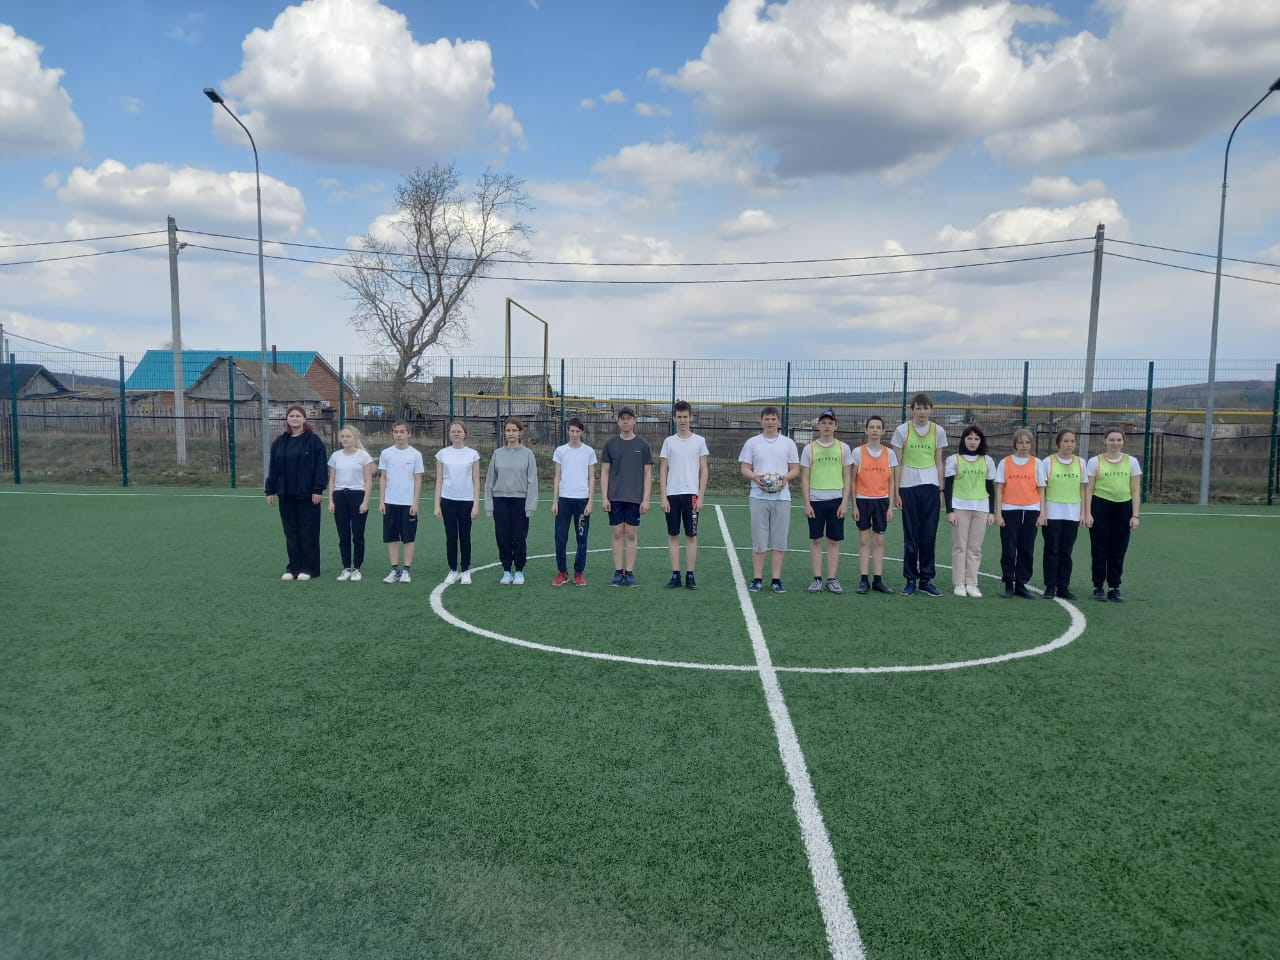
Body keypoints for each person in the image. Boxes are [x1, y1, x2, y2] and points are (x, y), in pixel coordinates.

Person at [738, 405, 800, 594]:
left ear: (778, 421)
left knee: (779, 541)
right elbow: (745, 468)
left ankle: (776, 580)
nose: (770, 422)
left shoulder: (788, 443)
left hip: (782, 498)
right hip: (758, 497)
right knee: (759, 540)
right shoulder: (752, 443)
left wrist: (785, 479)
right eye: (767, 419)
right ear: (761, 421)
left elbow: (795, 469)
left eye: (773, 419)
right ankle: (757, 579)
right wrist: (755, 477)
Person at [891, 393, 947, 596]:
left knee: (929, 535)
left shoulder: (938, 431)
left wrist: (941, 490)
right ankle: (910, 579)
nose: (922, 412)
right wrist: (896, 492)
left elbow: (939, 462)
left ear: (931, 409)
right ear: (912, 409)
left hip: (930, 487)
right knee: (911, 535)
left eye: (926, 408)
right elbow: (896, 464)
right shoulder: (901, 430)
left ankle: (926, 579)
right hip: (908, 487)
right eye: (918, 408)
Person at [265, 404, 327, 581]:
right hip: (286, 494)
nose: (294, 419)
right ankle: (293, 568)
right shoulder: (279, 442)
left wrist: (318, 489)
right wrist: (270, 490)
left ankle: (309, 569)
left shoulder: (314, 441)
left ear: (304, 419)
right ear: (287, 419)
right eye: (291, 416)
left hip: (308, 495)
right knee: (291, 532)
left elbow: (320, 467)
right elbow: (273, 467)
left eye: (298, 416)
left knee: (308, 532)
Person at [1084, 428, 1142, 602]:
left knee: (1118, 549)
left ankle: (1114, 587)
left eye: (1118, 440)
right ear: (1105, 441)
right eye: (1111, 439)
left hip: (1123, 508)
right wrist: (1088, 513)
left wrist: (1135, 515)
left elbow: (1135, 490)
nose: (1115, 443)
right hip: (1100, 506)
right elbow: (1089, 490)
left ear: (1123, 441)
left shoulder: (1132, 461)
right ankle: (1098, 586)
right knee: (1099, 549)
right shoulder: (1095, 461)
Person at [800, 409, 853, 594]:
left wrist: (844, 502)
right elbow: (804, 478)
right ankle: (817, 579)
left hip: (836, 500)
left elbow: (847, 476)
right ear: (818, 425)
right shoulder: (809, 449)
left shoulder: (843, 448)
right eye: (824, 423)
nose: (827, 426)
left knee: (833, 541)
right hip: (815, 501)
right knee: (816, 540)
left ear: (835, 426)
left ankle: (831, 579)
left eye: (830, 423)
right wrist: (807, 503)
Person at [600, 406, 653, 587]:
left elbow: (648, 473)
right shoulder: (610, 444)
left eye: (628, 418)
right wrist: (604, 497)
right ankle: (618, 572)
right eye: (622, 418)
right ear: (618, 422)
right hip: (615, 497)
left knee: (631, 534)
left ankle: (629, 573)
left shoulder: (643, 445)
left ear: (634, 421)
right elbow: (604, 472)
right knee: (617, 533)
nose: (625, 421)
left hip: (634, 498)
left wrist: (646, 499)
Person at [659, 401, 710, 590]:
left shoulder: (699, 441)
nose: (682, 420)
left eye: (685, 417)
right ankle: (675, 575)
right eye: (679, 417)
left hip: (692, 495)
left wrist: (701, 496)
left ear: (691, 418)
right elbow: (663, 470)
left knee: (691, 536)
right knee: (673, 535)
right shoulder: (669, 442)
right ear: (674, 418)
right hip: (672, 494)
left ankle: (690, 575)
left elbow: (704, 470)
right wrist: (663, 496)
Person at [994, 427, 1047, 599]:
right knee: (1009, 550)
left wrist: (1042, 513)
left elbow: (1041, 489)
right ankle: (1008, 584)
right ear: (1015, 444)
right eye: (1020, 442)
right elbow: (999, 489)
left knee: (1027, 550)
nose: (1024, 445)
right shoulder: (1005, 462)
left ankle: (1021, 584)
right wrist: (998, 513)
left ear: (1032, 444)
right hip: (1009, 510)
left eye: (1027, 442)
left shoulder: (1037, 463)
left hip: (1031, 511)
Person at [944, 425, 996, 597]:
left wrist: (991, 511)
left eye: (976, 438)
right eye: (969, 438)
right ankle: (959, 583)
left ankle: (972, 583)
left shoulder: (987, 460)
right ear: (963, 439)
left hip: (981, 508)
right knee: (960, 546)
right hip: (960, 507)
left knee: (975, 548)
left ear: (981, 441)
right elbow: (948, 486)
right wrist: (950, 511)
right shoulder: (953, 459)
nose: (973, 441)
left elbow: (990, 487)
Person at [485, 417, 538, 585]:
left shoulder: (528, 454)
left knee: (519, 537)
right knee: (503, 537)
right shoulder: (497, 454)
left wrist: (530, 507)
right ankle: (507, 570)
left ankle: (519, 570)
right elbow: (490, 481)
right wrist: (489, 506)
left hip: (520, 502)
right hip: (500, 501)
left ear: (520, 432)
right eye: (508, 430)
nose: (511, 433)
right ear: (504, 432)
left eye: (514, 430)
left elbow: (532, 482)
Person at [851, 415, 898, 594]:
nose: (875, 430)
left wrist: (890, 506)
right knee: (864, 540)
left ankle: (878, 579)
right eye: (872, 427)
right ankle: (864, 580)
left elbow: (891, 482)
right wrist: (854, 505)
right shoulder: (858, 452)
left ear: (883, 431)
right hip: (863, 500)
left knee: (878, 540)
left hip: (881, 501)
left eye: (878, 427)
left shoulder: (889, 453)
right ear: (866, 430)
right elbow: (853, 480)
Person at [551, 417, 597, 587]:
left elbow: (591, 478)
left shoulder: (589, 452)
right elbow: (557, 477)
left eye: (578, 431)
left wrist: (590, 501)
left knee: (581, 538)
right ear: (567, 431)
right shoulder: (560, 451)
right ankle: (562, 573)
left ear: (582, 432)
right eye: (572, 431)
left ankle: (579, 573)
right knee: (560, 538)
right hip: (564, 501)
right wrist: (555, 501)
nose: (575, 434)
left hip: (582, 502)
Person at [1040, 429, 1086, 600]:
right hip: (1052, 513)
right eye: (1066, 441)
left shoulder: (1080, 462)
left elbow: (1083, 489)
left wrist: (1083, 513)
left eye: (1072, 441)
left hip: (1072, 513)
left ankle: (1063, 587)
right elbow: (1042, 490)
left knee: (1066, 551)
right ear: (1058, 443)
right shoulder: (1048, 462)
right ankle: (1050, 586)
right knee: (1052, 550)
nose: (1069, 444)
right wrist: (1043, 512)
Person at [378, 420, 425, 584]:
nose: (398, 435)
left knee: (408, 537)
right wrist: (382, 501)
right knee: (391, 537)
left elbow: (418, 479)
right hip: (390, 503)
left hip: (407, 503)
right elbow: (383, 478)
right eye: (396, 432)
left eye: (402, 432)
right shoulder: (386, 453)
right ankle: (394, 570)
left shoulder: (415, 455)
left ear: (409, 434)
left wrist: (415, 502)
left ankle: (406, 570)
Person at [434, 421, 480, 586]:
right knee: (451, 537)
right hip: (448, 500)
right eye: (453, 431)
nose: (456, 434)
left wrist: (475, 504)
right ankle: (453, 570)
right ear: (449, 434)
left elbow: (476, 480)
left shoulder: (473, 454)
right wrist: (437, 504)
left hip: (466, 501)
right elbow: (439, 480)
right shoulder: (442, 454)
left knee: (465, 537)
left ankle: (465, 570)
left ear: (465, 434)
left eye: (459, 431)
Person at [327, 425, 374, 581]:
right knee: (343, 535)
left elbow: (368, 481)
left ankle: (357, 568)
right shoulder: (335, 456)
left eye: (348, 436)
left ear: (355, 438)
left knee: (358, 535)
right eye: (343, 436)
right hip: (340, 496)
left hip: (357, 496)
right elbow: (332, 480)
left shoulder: (363, 456)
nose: (345, 439)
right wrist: (331, 500)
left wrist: (365, 501)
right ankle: (346, 568)